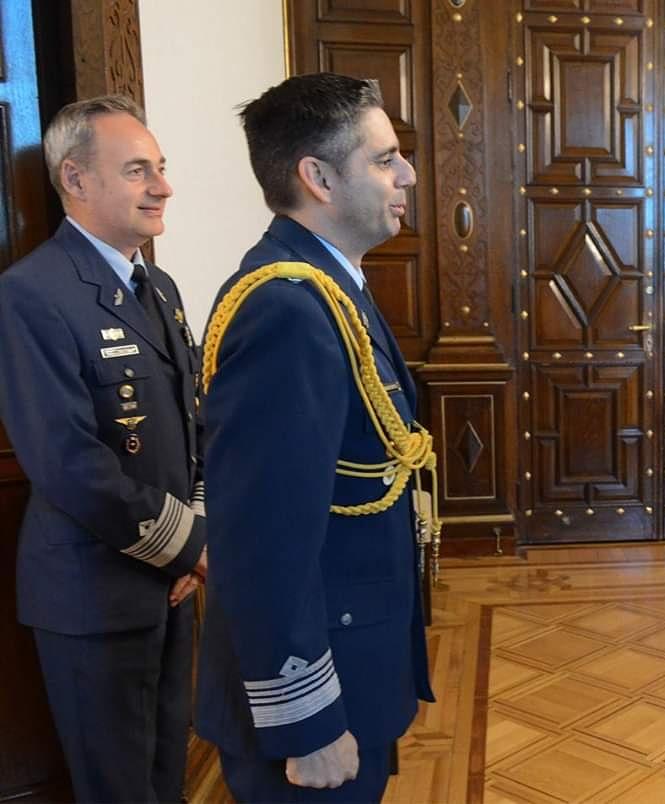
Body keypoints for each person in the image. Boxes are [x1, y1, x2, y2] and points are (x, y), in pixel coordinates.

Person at [195, 73, 435, 802]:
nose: (408, 175)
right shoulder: (287, 309)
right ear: (319, 178)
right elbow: (261, 538)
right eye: (385, 159)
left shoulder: (328, 284)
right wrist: (306, 721)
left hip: (357, 661)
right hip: (316, 697)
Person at [0, 95, 206, 802]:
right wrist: (190, 546)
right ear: (76, 178)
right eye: (138, 170)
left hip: (170, 585)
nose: (163, 186)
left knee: (166, 776)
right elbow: (67, 463)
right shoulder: (31, 293)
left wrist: (194, 536)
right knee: (118, 789)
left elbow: (191, 424)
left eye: (161, 168)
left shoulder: (160, 287)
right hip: (92, 596)